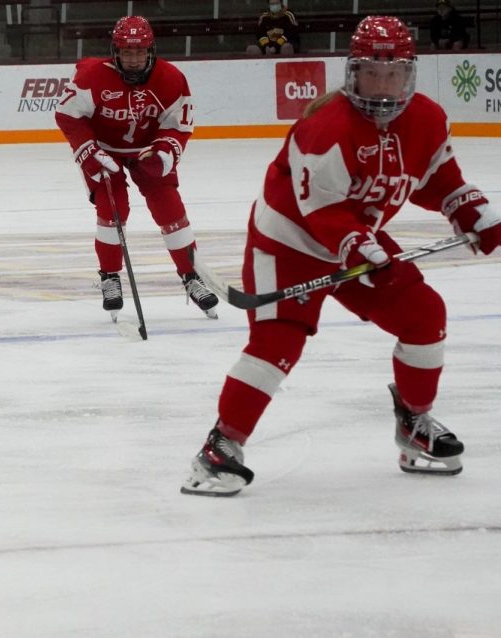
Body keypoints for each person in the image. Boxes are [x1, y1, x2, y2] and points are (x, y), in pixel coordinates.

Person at [181, 16, 501, 498]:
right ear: (353, 73)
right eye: (373, 73)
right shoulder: (325, 126)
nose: (383, 85)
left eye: (393, 74)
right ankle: (220, 447)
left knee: (424, 316)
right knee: (278, 341)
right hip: (288, 241)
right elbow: (322, 211)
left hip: (358, 243)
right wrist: (359, 246)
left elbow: (439, 179)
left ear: (409, 74)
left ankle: (413, 423)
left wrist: (473, 211)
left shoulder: (427, 119)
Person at [54, 16, 219, 320]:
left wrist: (165, 152)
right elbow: (67, 115)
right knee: (112, 207)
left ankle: (192, 276)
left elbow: (179, 125)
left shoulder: (171, 78)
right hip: (104, 153)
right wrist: (89, 152)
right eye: (127, 53)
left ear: (151, 51)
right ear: (115, 52)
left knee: (170, 209)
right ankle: (110, 277)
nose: (133, 60)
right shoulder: (92, 75)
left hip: (148, 151)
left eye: (139, 52)